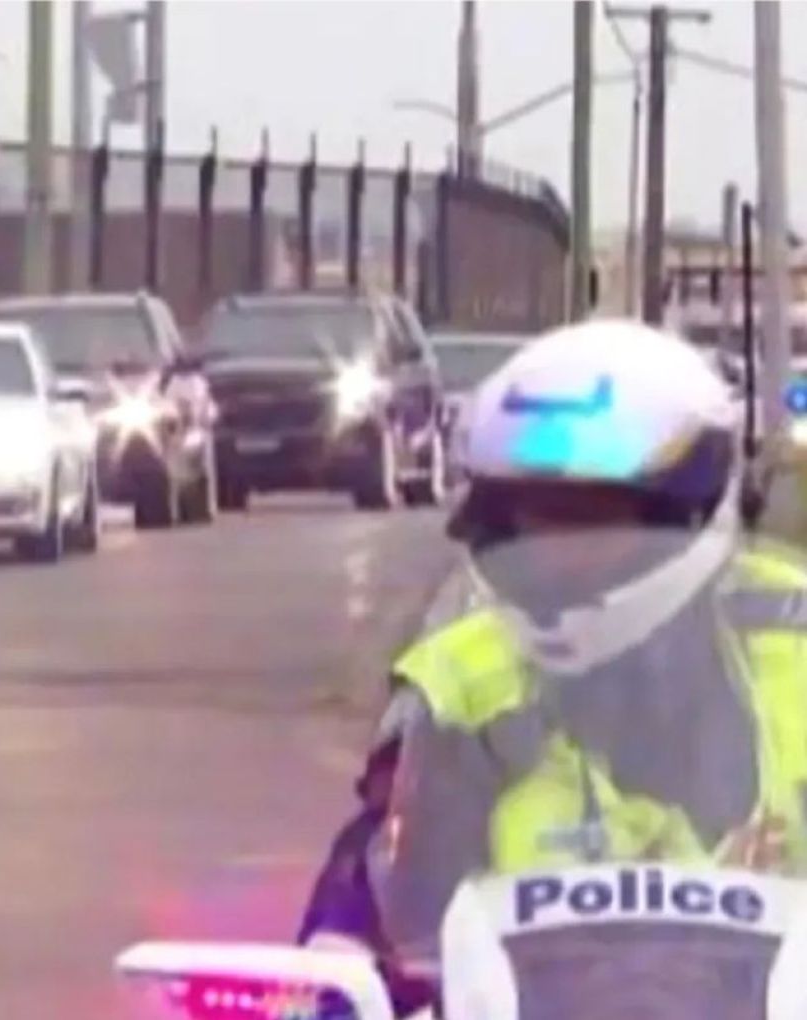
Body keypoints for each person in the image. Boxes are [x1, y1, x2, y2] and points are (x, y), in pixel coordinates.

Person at [297, 318, 807, 1013]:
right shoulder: (460, 689)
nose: (557, 553)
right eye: (532, 523)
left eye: (593, 520)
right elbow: (365, 920)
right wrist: (336, 981)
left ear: (691, 514)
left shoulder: (795, 648)